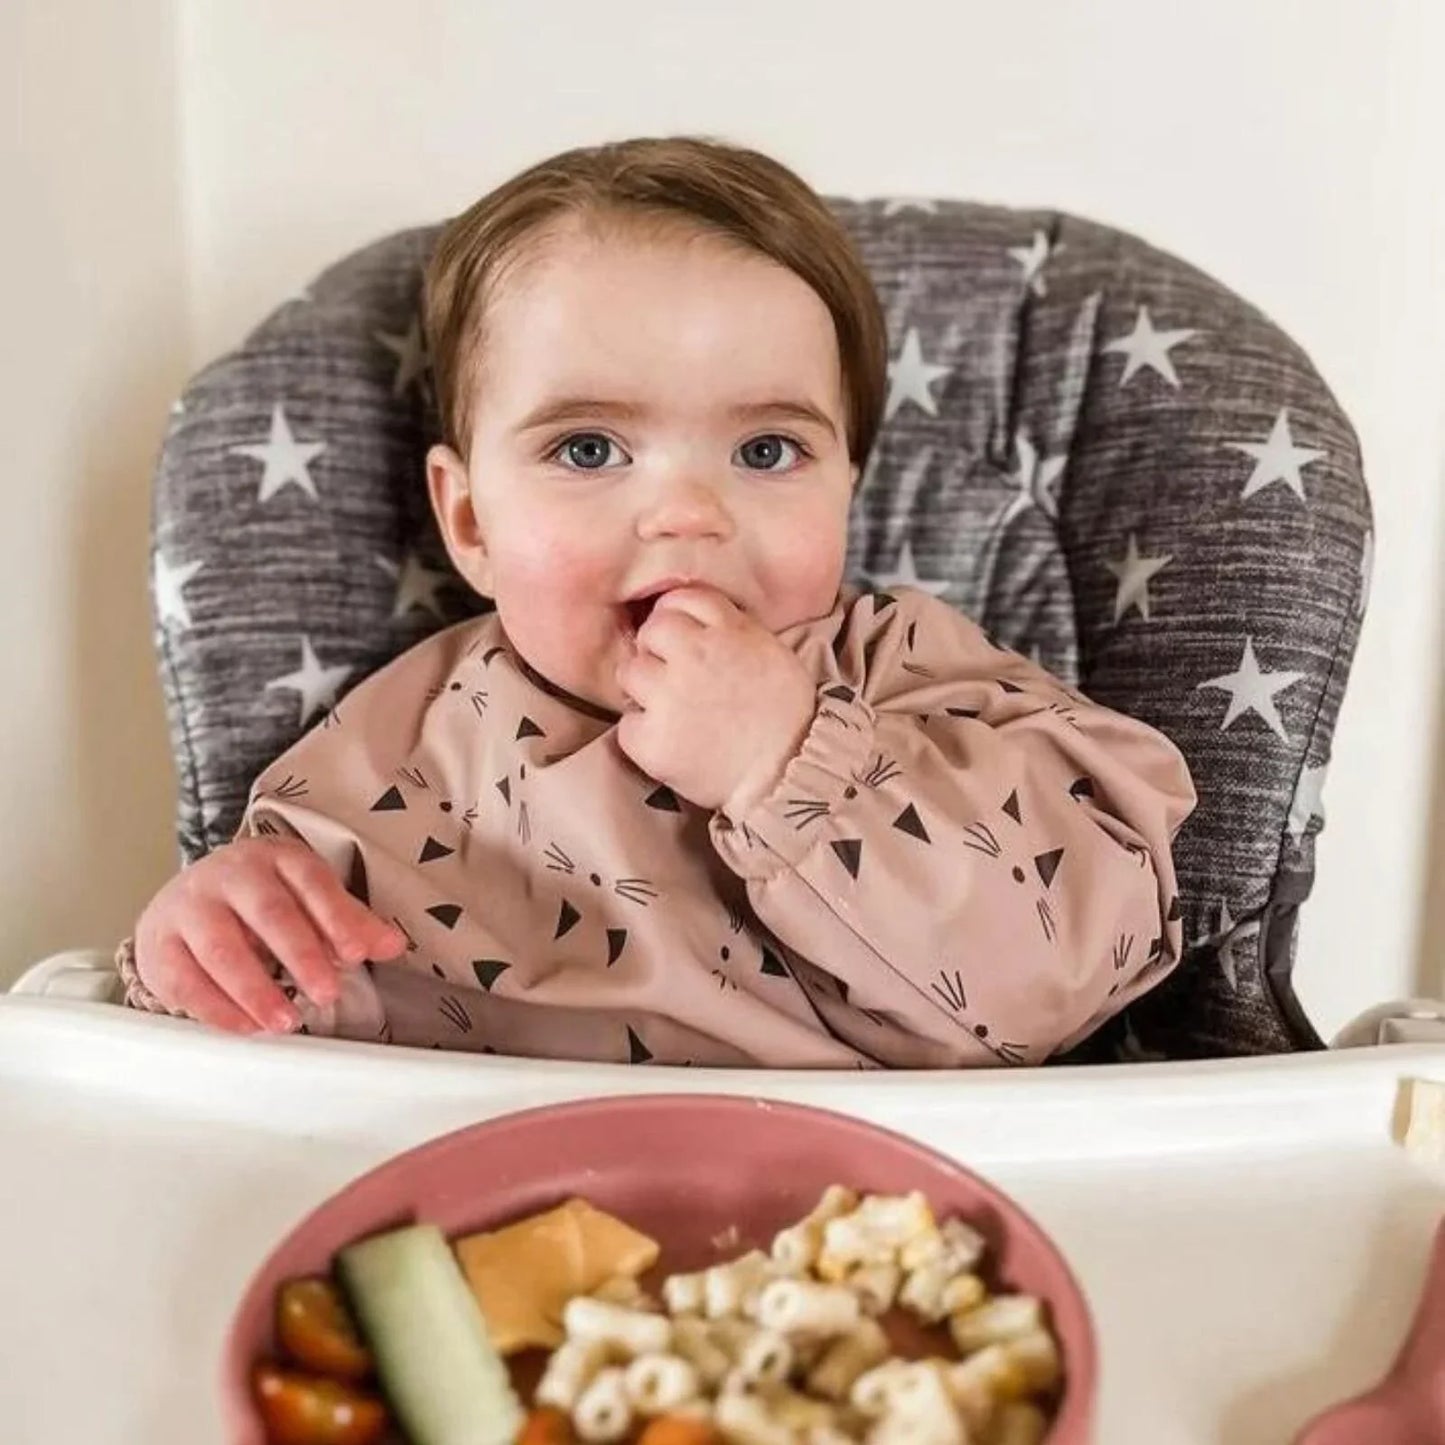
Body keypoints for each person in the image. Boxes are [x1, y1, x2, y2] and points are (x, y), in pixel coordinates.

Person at [118, 136, 1196, 1067]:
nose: (687, 512)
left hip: (882, 1226)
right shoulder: (389, 756)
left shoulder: (912, 675)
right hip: (512, 1237)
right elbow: (270, 1057)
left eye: (765, 449)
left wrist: (796, 760)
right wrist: (201, 951)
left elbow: (1060, 972)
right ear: (470, 522)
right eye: (588, 448)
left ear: (847, 491)